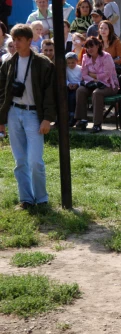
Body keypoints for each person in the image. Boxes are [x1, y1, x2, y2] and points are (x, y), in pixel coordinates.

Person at [0, 24, 56, 211]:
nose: (15, 43)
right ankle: (26, 199)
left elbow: (50, 93)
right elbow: (2, 92)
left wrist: (47, 118)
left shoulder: (43, 63)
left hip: (34, 114)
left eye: (19, 40)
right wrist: (1, 119)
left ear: (29, 41)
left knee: (35, 161)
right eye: (13, 40)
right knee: (20, 161)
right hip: (14, 113)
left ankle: (41, 199)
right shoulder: (8, 62)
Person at [74, 36, 119, 133]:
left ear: (98, 46)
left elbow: (107, 74)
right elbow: (84, 74)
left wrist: (93, 75)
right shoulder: (85, 57)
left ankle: (97, 124)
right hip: (92, 83)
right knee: (80, 90)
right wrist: (94, 80)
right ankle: (82, 120)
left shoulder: (106, 57)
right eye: (87, 47)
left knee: (97, 93)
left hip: (109, 85)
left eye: (92, 46)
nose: (90, 49)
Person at [66, 52, 81, 125]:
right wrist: (68, 84)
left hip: (77, 87)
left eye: (73, 62)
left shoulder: (80, 69)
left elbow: (83, 79)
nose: (71, 64)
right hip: (69, 86)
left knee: (73, 97)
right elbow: (65, 79)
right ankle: (67, 114)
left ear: (76, 61)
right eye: (69, 63)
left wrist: (77, 84)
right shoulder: (66, 69)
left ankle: (73, 116)